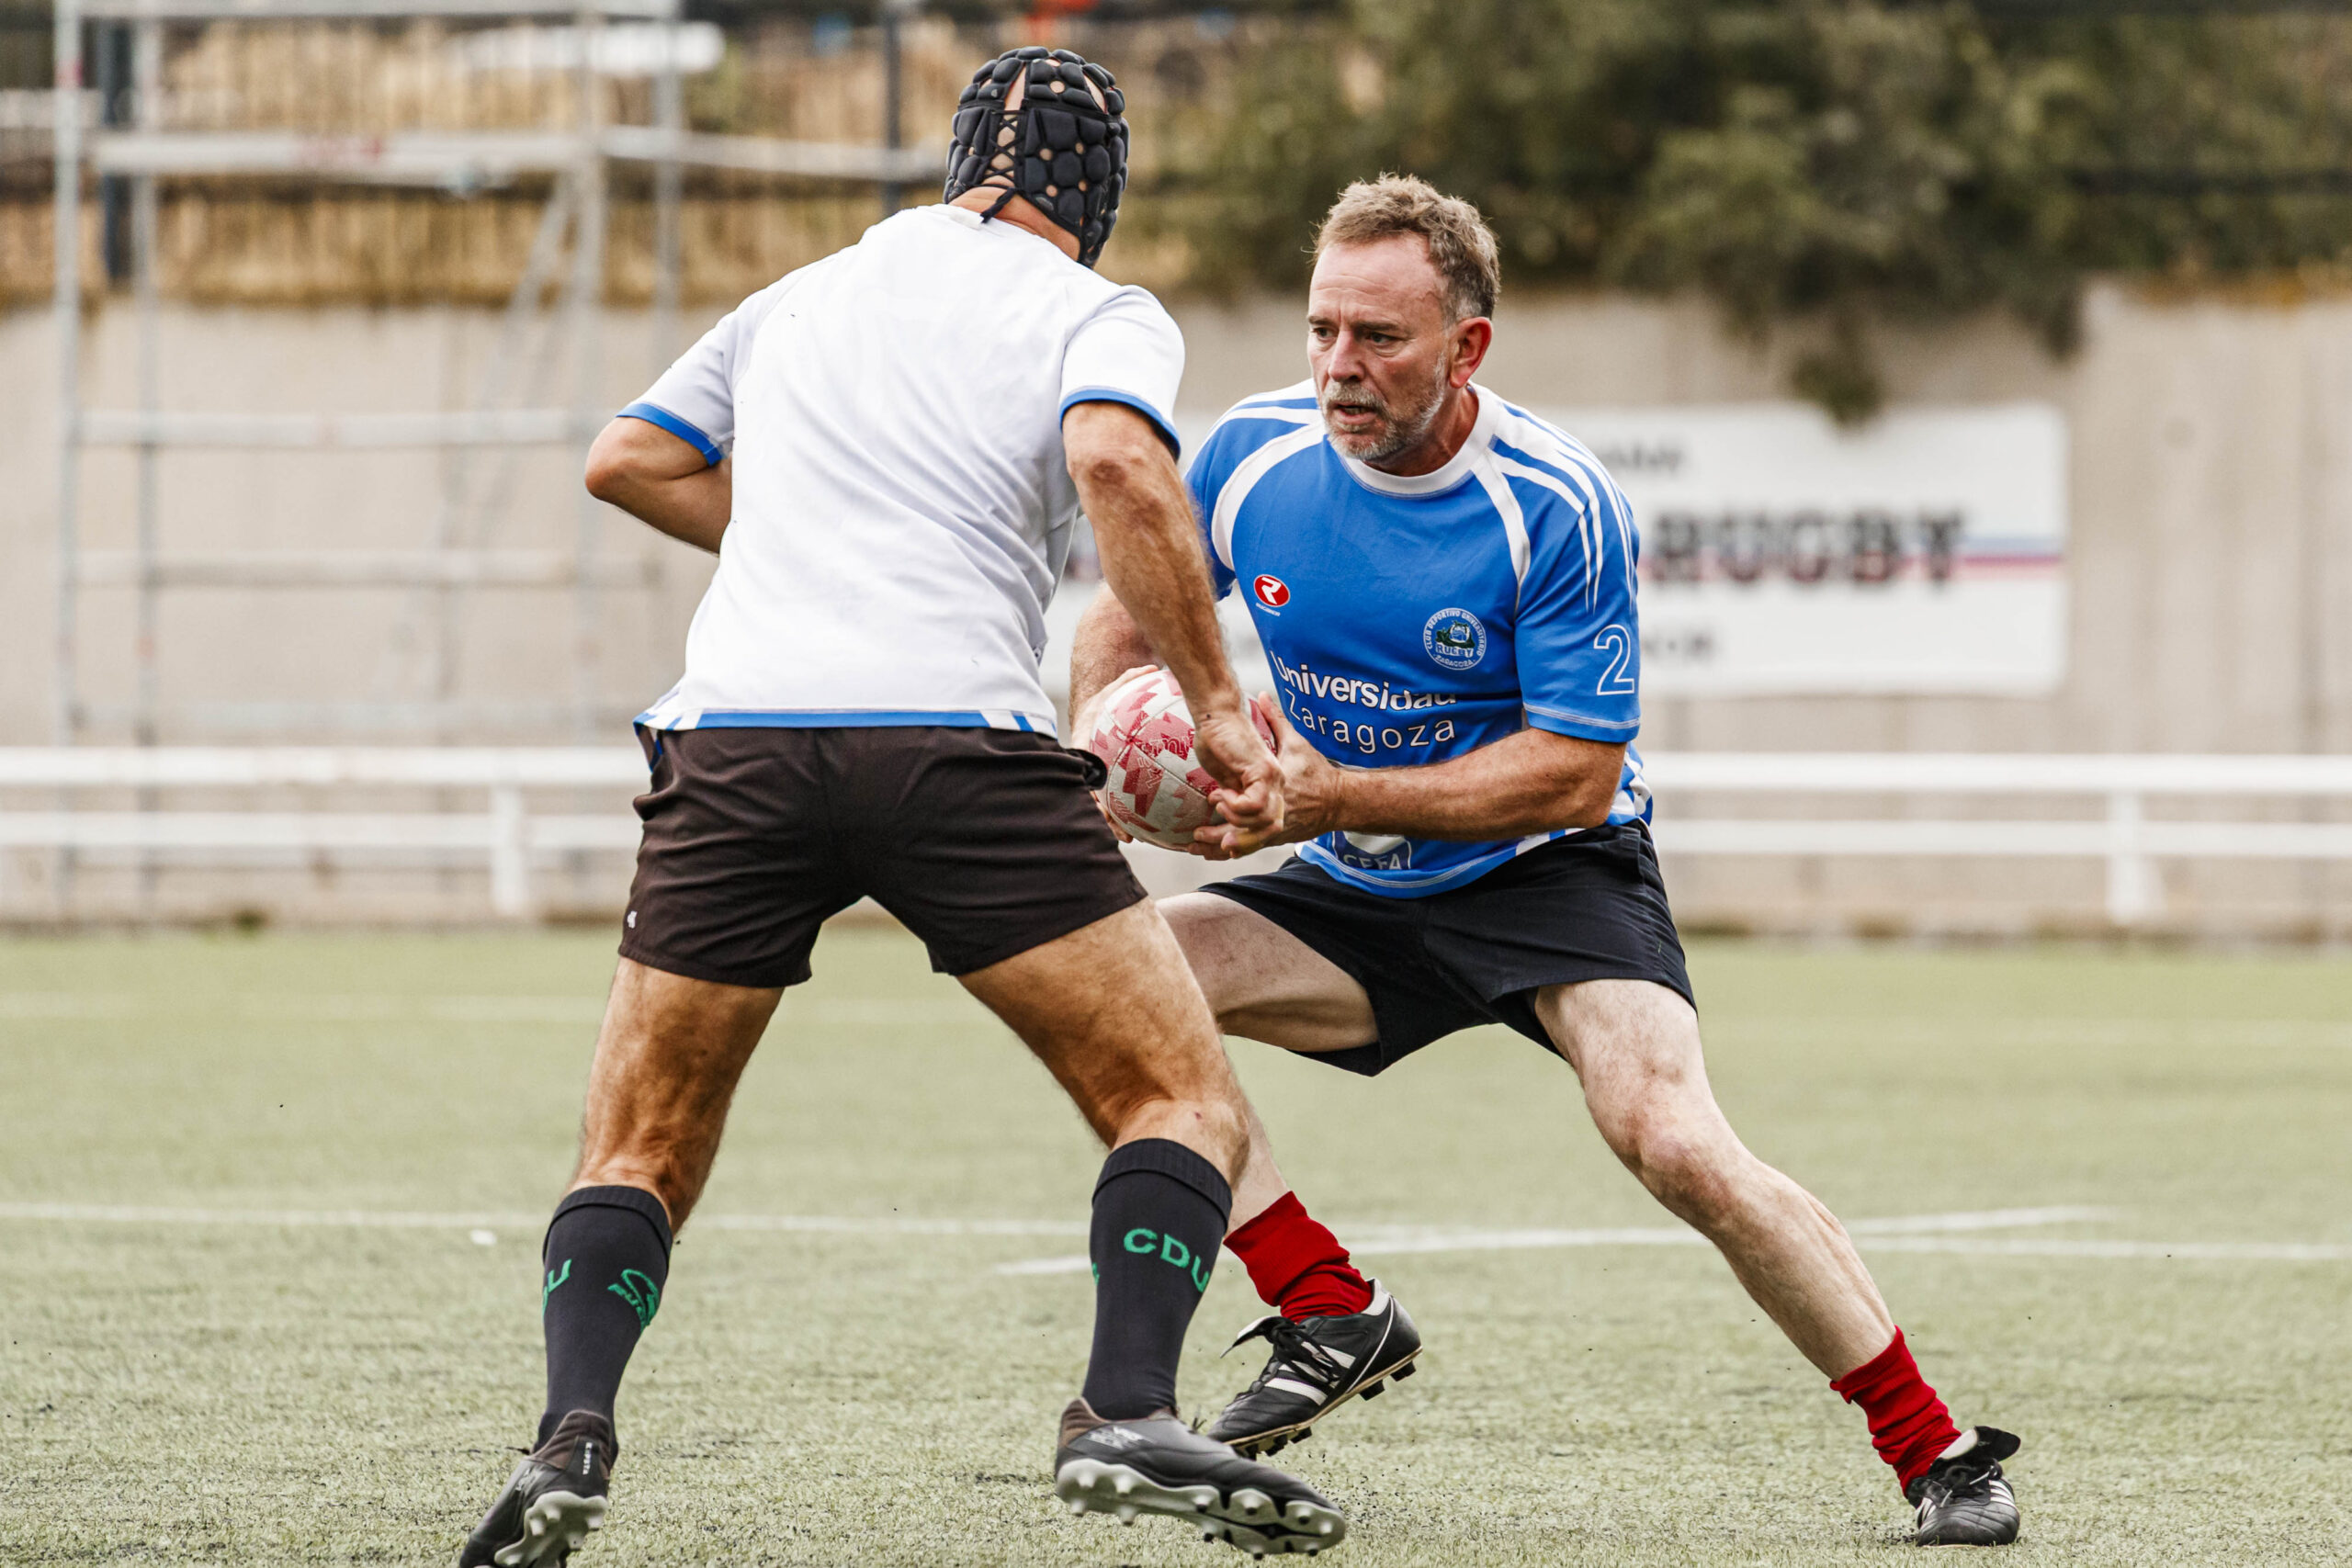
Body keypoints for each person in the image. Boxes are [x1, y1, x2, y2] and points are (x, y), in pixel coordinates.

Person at [457, 48, 1349, 1566]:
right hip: (955, 752)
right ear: (1101, 194)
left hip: (737, 749)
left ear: (957, 161)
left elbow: (628, 461)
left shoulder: (798, 295)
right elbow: (1119, 462)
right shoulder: (1096, 313)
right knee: (1174, 1096)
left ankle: (568, 1443)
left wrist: (809, 537)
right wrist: (1211, 702)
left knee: (638, 1148)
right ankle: (1126, 1408)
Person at [1069, 175, 2023, 1549]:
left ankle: (1936, 1451)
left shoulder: (1555, 502)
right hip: (1352, 878)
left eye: (1380, 339)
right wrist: (1104, 755)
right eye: (1323, 328)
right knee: (1110, 989)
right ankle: (1325, 1304)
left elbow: (1573, 770)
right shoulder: (1252, 455)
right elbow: (1134, 611)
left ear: (1469, 347)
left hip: (1553, 875)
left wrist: (1328, 786)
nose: (1340, 366)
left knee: (1675, 1142)